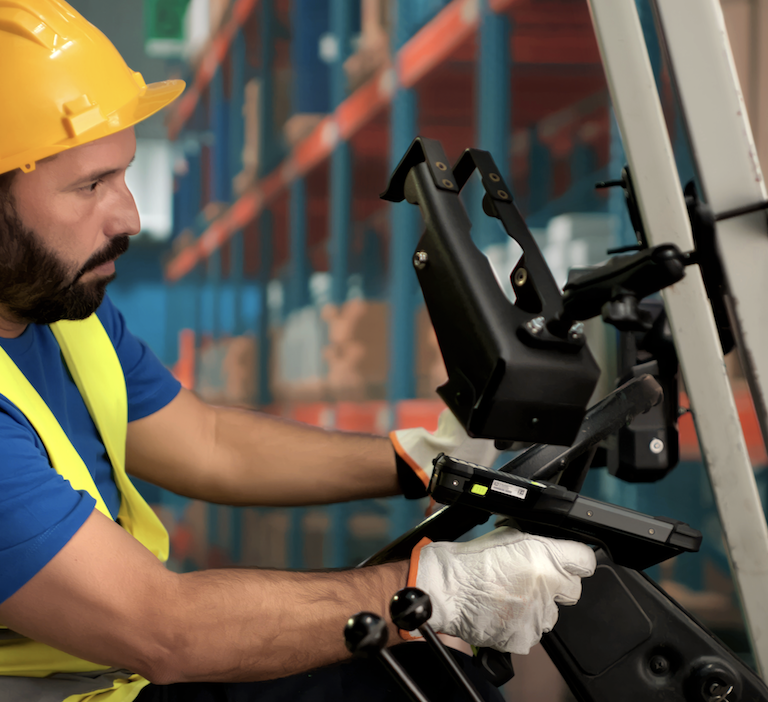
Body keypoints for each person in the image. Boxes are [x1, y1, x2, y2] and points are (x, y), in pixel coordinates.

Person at [0, 2, 597, 701]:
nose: (130, 216)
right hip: (98, 682)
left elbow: (209, 441)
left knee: (421, 679)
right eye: (91, 185)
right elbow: (162, 627)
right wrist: (429, 589)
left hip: (119, 679)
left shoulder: (59, 314)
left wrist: (419, 461)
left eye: (123, 174)